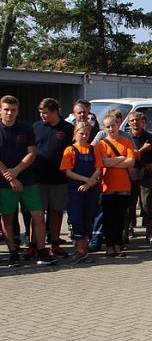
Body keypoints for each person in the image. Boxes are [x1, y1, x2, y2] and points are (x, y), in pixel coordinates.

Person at [0, 95, 54, 266]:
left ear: (18, 111)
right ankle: (13, 253)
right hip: (3, 183)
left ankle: (42, 251)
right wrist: (10, 177)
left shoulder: (25, 129)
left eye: (13, 110)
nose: (10, 113)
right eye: (6, 109)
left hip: (28, 180)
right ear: (0, 110)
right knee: (7, 217)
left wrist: (16, 171)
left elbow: (31, 153)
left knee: (37, 215)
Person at [33, 97, 74, 257]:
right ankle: (35, 244)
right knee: (37, 213)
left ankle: (55, 243)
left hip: (59, 178)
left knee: (57, 211)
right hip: (39, 178)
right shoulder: (36, 127)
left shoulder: (67, 128)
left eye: (46, 113)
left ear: (55, 112)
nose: (42, 116)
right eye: (41, 113)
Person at [95, 112, 139, 258]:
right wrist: (121, 159)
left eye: (113, 126)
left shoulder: (126, 141)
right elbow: (102, 163)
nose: (110, 129)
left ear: (118, 125)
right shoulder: (101, 145)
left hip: (123, 186)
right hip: (107, 186)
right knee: (108, 218)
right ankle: (109, 246)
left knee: (120, 218)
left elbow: (131, 162)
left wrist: (113, 161)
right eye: (107, 127)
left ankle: (117, 245)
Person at [59, 121, 101, 264]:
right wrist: (86, 181)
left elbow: (98, 168)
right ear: (75, 133)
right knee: (76, 218)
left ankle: (84, 251)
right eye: (81, 133)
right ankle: (80, 250)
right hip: (75, 189)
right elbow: (68, 172)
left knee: (88, 218)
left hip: (91, 189)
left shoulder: (94, 149)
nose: (84, 136)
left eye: (87, 133)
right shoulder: (69, 150)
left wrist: (90, 183)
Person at [127, 111, 152, 244]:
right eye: (132, 120)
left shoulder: (150, 137)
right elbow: (131, 156)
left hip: (146, 176)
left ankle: (149, 232)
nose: (135, 123)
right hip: (130, 175)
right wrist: (143, 150)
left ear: (142, 122)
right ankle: (127, 231)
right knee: (129, 205)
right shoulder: (126, 138)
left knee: (147, 205)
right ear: (128, 123)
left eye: (137, 120)